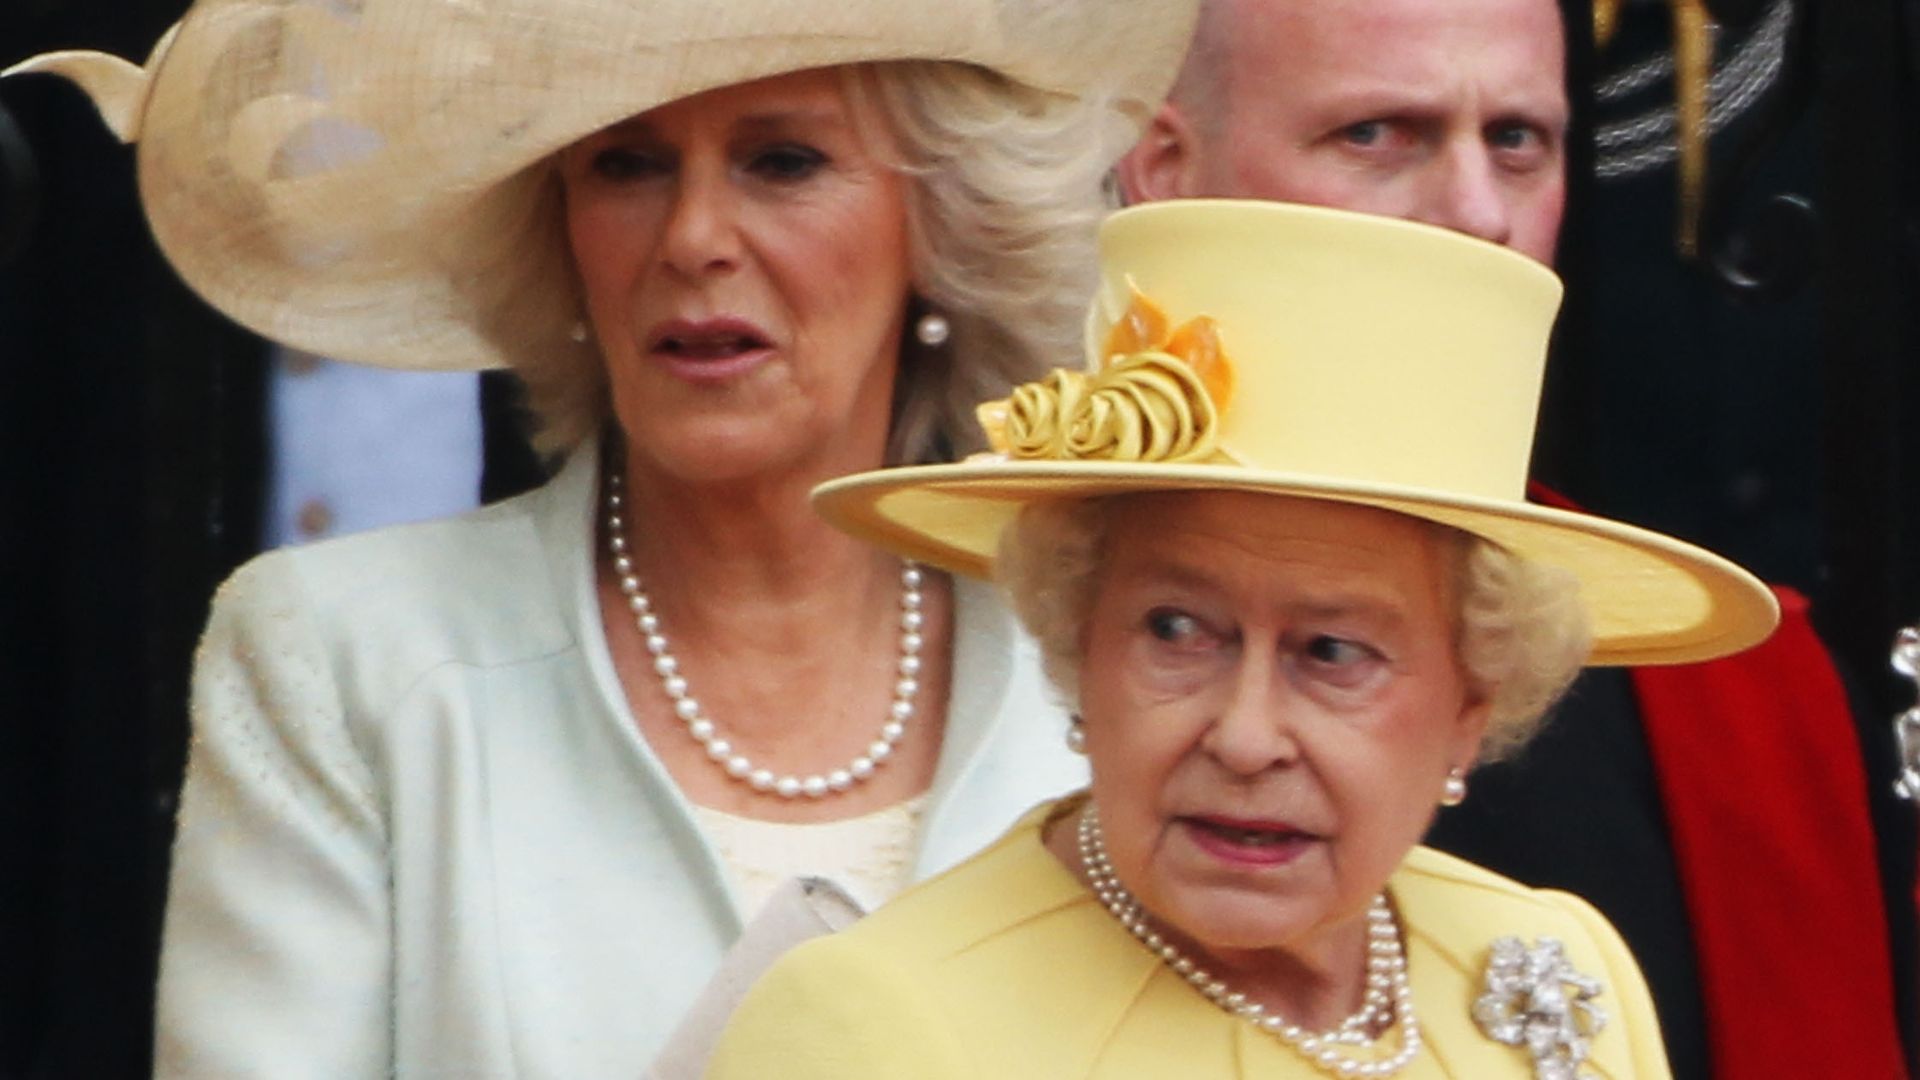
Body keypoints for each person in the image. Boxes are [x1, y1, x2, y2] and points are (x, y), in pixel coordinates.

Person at [5, 0, 1200, 1074]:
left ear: (938, 224)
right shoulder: (341, 661)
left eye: (782, 161)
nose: (692, 237)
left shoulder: (1100, 667)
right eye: (627, 165)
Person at [706, 197, 1778, 1079]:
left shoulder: (1554, 970)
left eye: (1333, 653)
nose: (1246, 736)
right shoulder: (882, 1028)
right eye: (1177, 630)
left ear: (1470, 702)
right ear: (1081, 643)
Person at [1113, 2, 1916, 1077]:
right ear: (1165, 165)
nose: (1478, 212)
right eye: (1376, 134)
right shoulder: (990, 637)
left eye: (1517, 141)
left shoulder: (1749, 710)